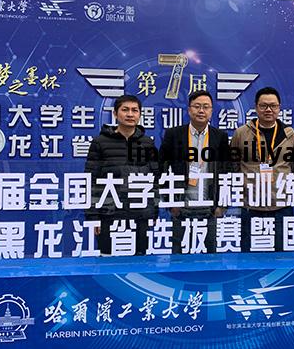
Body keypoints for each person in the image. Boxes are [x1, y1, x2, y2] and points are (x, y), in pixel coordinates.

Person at [85, 95, 158, 256]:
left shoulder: (147, 143)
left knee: (140, 260)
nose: (130, 114)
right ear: (115, 113)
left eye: (134, 110)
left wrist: (153, 211)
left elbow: (154, 179)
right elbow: (91, 180)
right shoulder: (100, 142)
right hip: (108, 213)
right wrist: (93, 216)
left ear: (140, 114)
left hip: (140, 213)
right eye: (125, 110)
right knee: (108, 260)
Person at [159, 90, 230, 253]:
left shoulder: (220, 136)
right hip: (181, 206)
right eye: (197, 106)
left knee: (210, 256)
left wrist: (222, 205)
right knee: (179, 255)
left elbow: (227, 171)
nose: (201, 111)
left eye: (206, 107)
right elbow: (162, 167)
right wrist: (171, 203)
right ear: (189, 110)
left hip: (209, 207)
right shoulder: (174, 134)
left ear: (211, 111)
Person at [230, 87, 294, 252]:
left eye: (273, 106)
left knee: (282, 258)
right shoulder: (241, 133)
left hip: (281, 206)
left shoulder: (289, 134)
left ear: (279, 108)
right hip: (251, 207)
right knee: (249, 259)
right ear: (256, 107)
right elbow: (233, 165)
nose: (268, 110)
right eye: (263, 106)